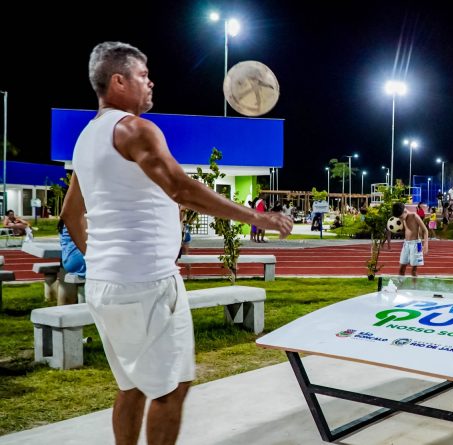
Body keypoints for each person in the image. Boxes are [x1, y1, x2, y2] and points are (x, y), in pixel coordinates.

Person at [60, 42, 293, 445]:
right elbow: (181, 189)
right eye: (143, 75)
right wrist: (259, 217)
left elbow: (69, 213)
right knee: (172, 388)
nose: (151, 82)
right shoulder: (134, 129)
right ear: (118, 81)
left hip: (105, 284)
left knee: (131, 385)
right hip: (147, 283)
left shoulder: (86, 139)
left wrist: (100, 260)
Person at [392, 202, 429, 277]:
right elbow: (406, 230)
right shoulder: (401, 217)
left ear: (405, 211)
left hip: (416, 244)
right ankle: (400, 287)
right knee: (401, 268)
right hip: (406, 244)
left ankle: (414, 288)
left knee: (414, 271)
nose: (400, 219)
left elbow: (425, 230)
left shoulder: (414, 216)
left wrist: (425, 245)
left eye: (401, 217)